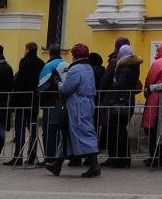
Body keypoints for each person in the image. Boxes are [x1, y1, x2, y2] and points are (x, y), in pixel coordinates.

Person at [47, 44, 101, 177]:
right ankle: (57, 165)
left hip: (76, 106)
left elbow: (66, 88)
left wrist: (58, 83)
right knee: (68, 134)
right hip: (86, 103)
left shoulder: (76, 69)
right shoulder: (88, 67)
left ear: (74, 55)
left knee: (84, 133)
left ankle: (94, 165)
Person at [102, 40, 141, 167]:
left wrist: (113, 84)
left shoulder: (124, 68)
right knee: (121, 130)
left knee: (117, 131)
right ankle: (122, 158)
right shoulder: (134, 66)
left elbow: (119, 84)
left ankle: (120, 158)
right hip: (127, 101)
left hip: (119, 101)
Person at [7, 41, 43, 166]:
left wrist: (13, 100)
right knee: (32, 127)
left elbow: (19, 82)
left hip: (23, 99)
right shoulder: (40, 63)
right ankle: (32, 155)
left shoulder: (25, 62)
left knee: (20, 128)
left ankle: (18, 156)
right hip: (34, 100)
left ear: (27, 50)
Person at [139, 40, 162, 167]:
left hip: (155, 98)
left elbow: (150, 80)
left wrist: (147, 91)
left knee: (152, 129)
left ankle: (154, 156)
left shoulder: (158, 63)